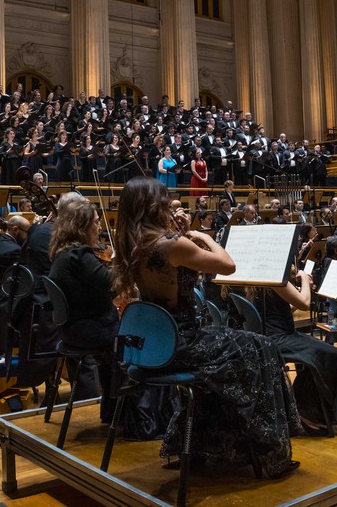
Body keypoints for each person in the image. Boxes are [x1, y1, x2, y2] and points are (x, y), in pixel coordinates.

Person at [111, 176, 301, 479]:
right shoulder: (171, 244)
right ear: (154, 205)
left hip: (156, 342)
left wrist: (183, 235)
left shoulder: (131, 243)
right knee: (262, 347)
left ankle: (206, 443)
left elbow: (175, 261)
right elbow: (227, 266)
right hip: (183, 342)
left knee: (230, 360)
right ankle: (266, 448)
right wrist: (204, 236)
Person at [245, 269, 337, 433]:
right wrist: (305, 280)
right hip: (278, 338)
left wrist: (298, 295)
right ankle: (304, 411)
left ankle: (302, 407)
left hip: (270, 335)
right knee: (334, 355)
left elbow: (282, 309)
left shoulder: (257, 274)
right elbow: (304, 303)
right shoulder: (275, 277)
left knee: (322, 352)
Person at [47, 200, 119, 418]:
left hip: (72, 330)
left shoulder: (63, 253)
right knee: (139, 339)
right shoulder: (79, 256)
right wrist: (119, 261)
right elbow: (113, 286)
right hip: (90, 331)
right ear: (81, 226)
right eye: (96, 223)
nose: (99, 228)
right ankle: (128, 414)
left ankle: (112, 410)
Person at [0, 215, 31, 354]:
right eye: (26, 232)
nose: (27, 237)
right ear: (15, 229)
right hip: (6, 302)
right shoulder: (13, 250)